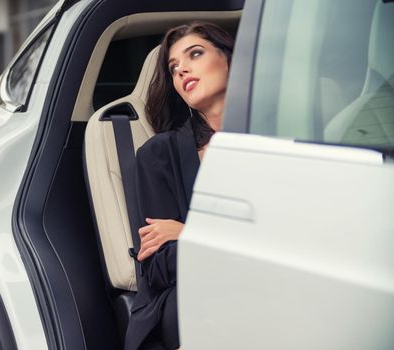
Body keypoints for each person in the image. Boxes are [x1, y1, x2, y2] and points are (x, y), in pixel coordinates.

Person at [124, 22, 234, 350]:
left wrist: (190, 232)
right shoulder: (159, 153)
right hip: (191, 297)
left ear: (231, 60)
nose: (182, 69)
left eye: (195, 54)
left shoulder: (277, 138)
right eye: (173, 68)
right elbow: (158, 266)